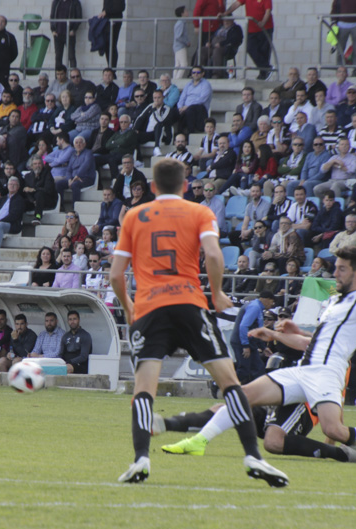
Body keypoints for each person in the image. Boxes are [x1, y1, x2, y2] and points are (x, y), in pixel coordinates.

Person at [163, 246, 356, 466]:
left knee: (334, 431)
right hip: (304, 369)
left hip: (327, 375)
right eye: (335, 267)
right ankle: (198, 442)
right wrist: (283, 334)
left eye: (341, 269)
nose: (335, 273)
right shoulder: (334, 303)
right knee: (241, 395)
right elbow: (313, 343)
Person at [109, 157, 286, 486]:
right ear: (185, 185)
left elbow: (116, 274)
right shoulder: (199, 212)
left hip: (150, 310)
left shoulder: (134, 215)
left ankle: (141, 460)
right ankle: (252, 456)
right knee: (230, 385)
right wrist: (217, 293)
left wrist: (129, 306)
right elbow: (215, 255)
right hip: (190, 305)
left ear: (152, 187)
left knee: (143, 390)